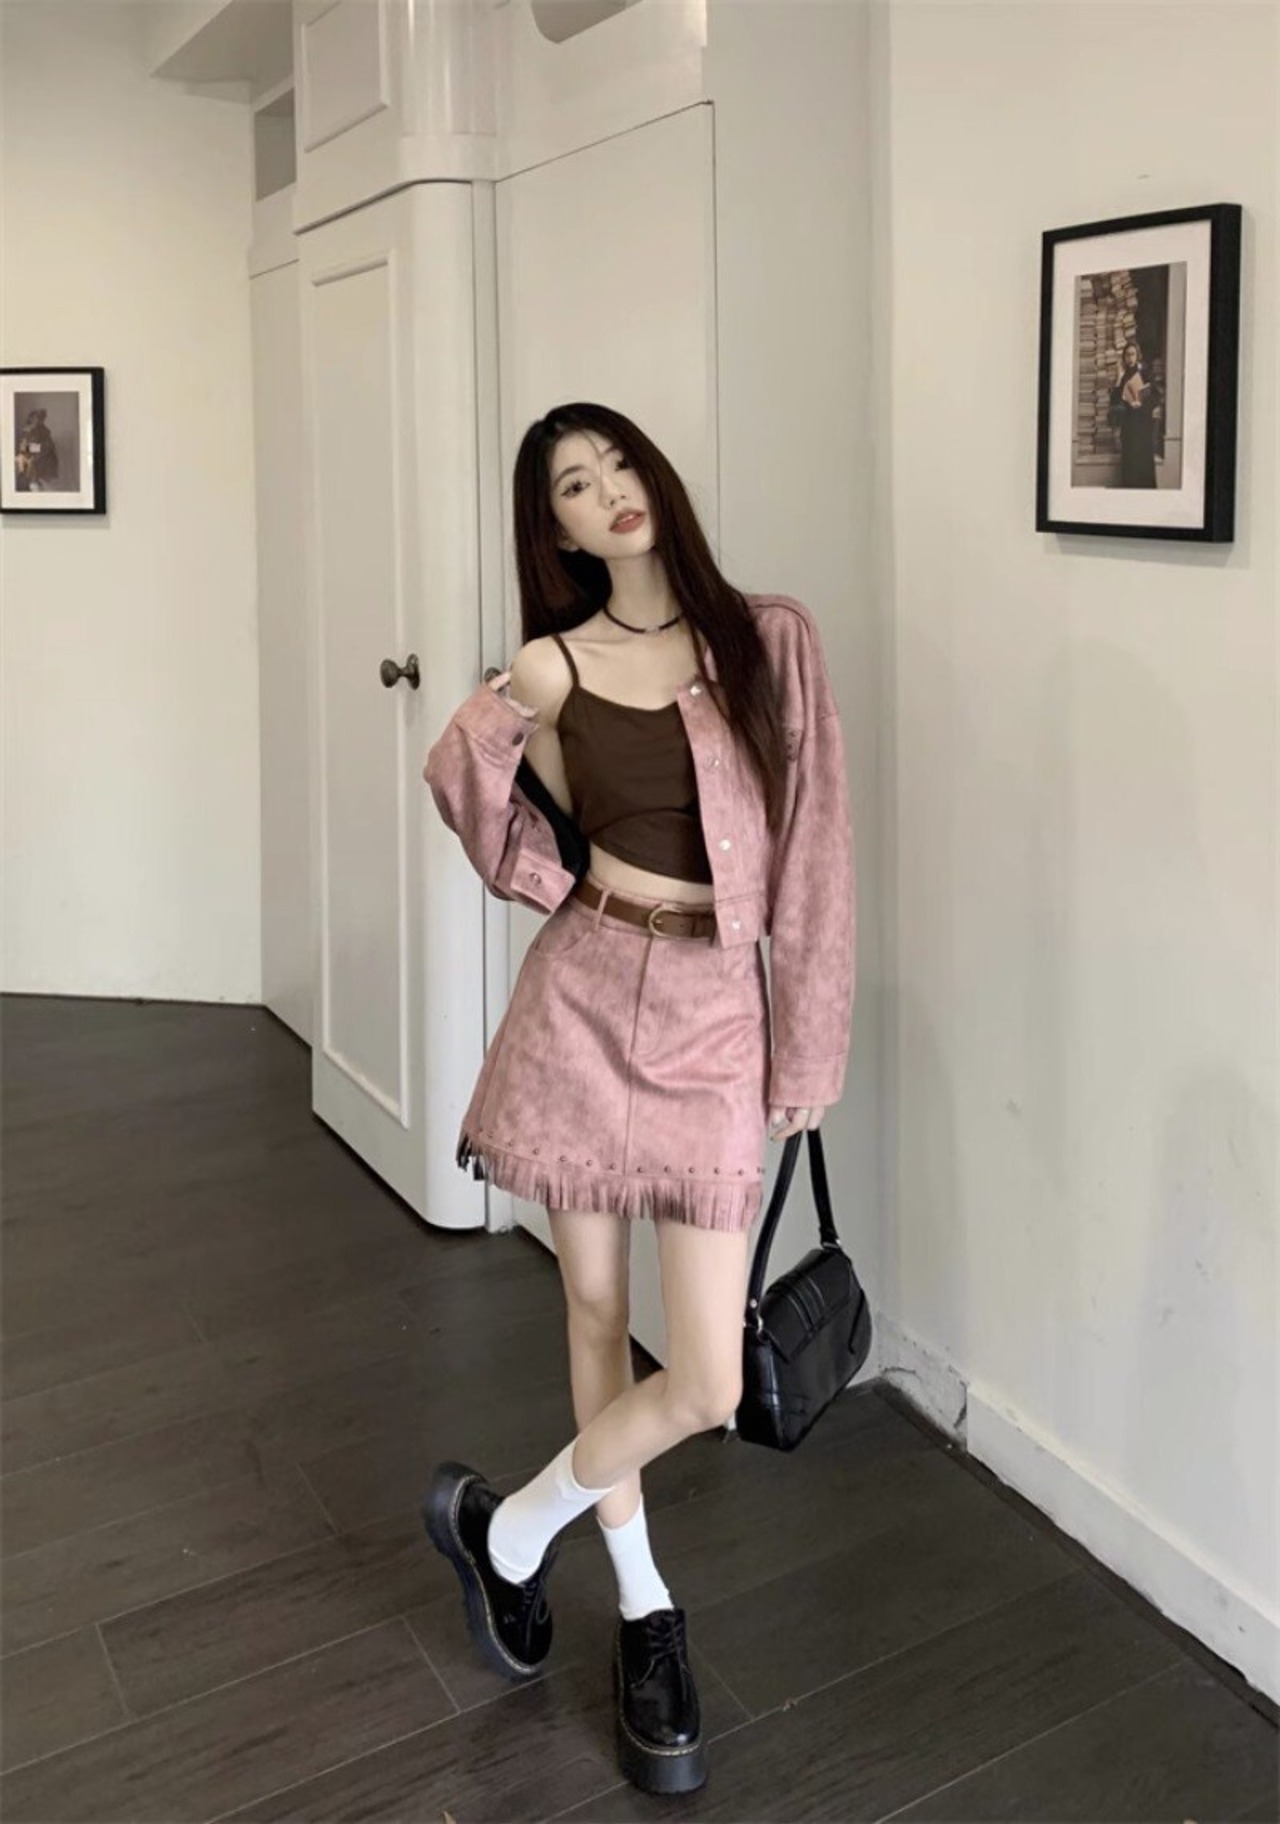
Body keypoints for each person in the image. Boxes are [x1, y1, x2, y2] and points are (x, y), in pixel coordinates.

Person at [421, 402, 856, 1795]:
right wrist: (513, 729)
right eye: (571, 483)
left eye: (616, 462)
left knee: (709, 1378)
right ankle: (644, 1600)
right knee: (595, 1316)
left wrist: (808, 1052)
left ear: (653, 476)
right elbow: (469, 791)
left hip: (718, 1016)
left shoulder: (766, 638)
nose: (606, 490)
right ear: (551, 527)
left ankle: (506, 1535)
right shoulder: (553, 667)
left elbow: (817, 857)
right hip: (585, 995)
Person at [1109, 342, 1158, 488]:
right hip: (1129, 425)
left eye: (1132, 354)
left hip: (1143, 424)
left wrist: (1142, 404)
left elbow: (1155, 397)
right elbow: (1114, 401)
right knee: (1130, 462)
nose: (1130, 358)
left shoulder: (1145, 374)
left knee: (1143, 460)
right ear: (1124, 358)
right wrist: (1119, 379)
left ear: (1137, 356)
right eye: (1127, 355)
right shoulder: (1123, 376)